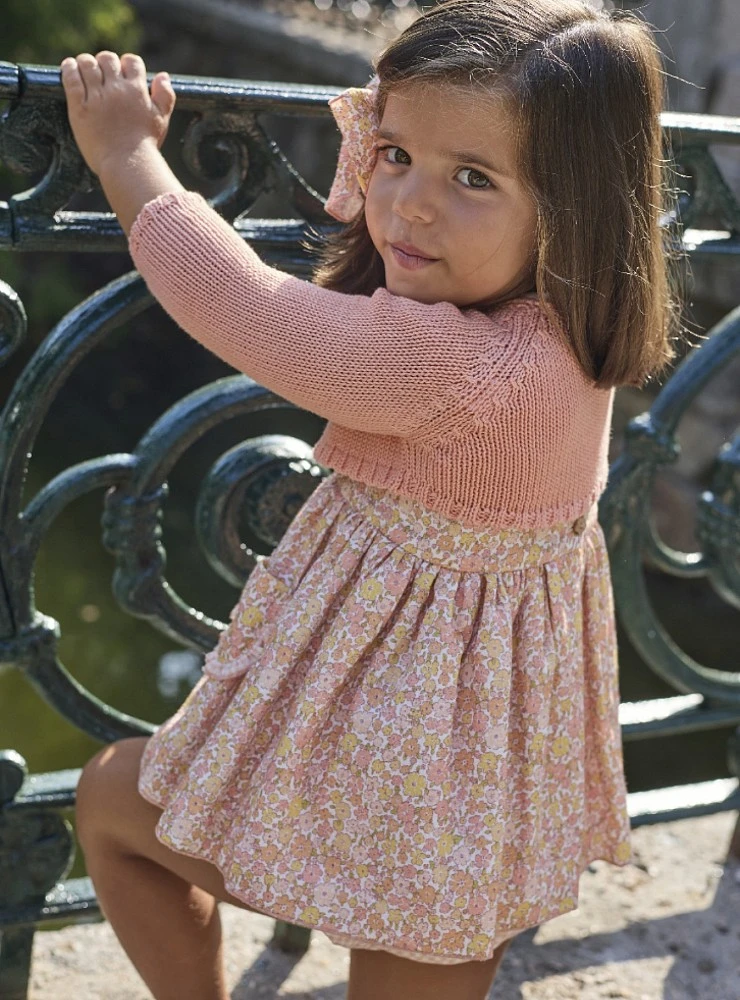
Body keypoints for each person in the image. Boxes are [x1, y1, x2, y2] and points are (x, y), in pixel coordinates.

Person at [60, 2, 678, 998]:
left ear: (574, 206)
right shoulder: (571, 328)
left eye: (471, 178)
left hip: (359, 762)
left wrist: (127, 155)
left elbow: (239, 304)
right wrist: (426, 165)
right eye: (391, 154)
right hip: (465, 792)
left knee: (115, 807)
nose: (408, 206)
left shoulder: (444, 362)